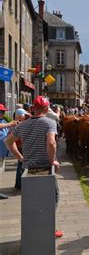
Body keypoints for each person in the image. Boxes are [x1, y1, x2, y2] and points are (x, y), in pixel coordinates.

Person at [4, 96, 62, 238]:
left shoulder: (22, 125)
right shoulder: (50, 123)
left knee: (33, 200)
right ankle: (48, 228)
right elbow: (51, 143)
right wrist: (52, 160)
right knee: (52, 197)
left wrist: (21, 158)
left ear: (32, 109)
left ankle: (34, 229)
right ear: (47, 109)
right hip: (45, 168)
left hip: (28, 168)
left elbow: (8, 141)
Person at [13, 108, 29, 190]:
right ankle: (20, 184)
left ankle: (18, 183)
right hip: (21, 146)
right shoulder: (20, 124)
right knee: (21, 165)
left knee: (20, 165)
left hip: (20, 146)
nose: (26, 117)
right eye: (25, 115)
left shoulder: (19, 124)